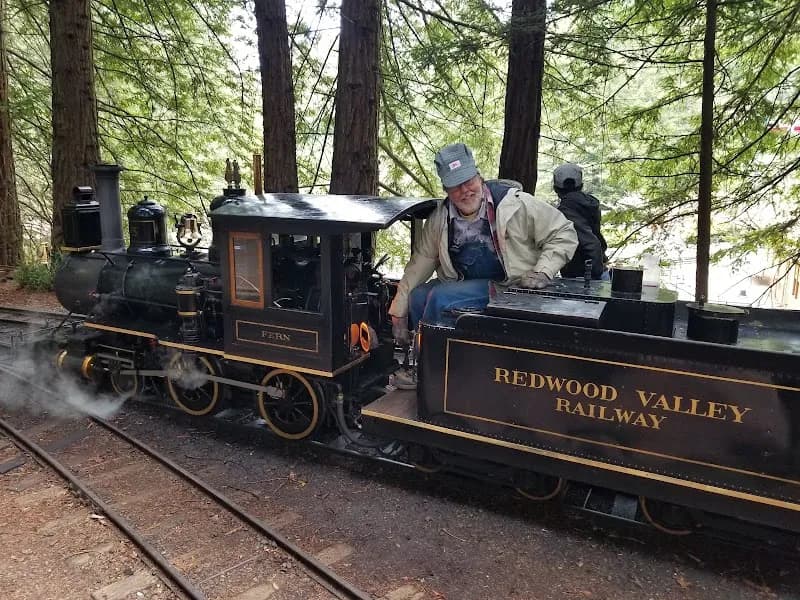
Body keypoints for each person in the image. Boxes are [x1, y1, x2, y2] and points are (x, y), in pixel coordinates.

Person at [388, 143, 578, 388]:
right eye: (455, 187)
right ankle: (421, 360)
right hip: (465, 283)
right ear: (446, 189)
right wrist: (398, 309)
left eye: (468, 182)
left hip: (511, 285)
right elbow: (420, 262)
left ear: (479, 177)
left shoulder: (517, 205)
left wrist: (543, 270)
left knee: (440, 297)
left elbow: (563, 231)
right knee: (417, 296)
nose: (464, 191)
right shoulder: (440, 218)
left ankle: (435, 372)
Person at [553, 163, 609, 280]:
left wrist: (593, 273)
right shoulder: (590, 204)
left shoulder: (567, 209)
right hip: (597, 271)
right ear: (581, 185)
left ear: (556, 189)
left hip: (584, 277)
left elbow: (590, 242)